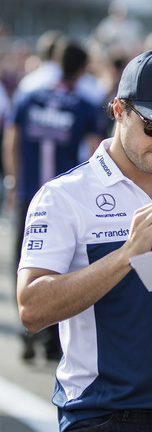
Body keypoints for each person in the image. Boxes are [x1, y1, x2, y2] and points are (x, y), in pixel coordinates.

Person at [16, 48, 152, 432]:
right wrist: (127, 255)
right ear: (119, 110)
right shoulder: (63, 196)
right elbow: (32, 309)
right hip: (102, 413)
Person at [4, 40, 107, 362]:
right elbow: (93, 154)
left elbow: (11, 142)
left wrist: (14, 181)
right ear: (81, 68)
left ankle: (27, 332)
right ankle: (51, 338)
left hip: (28, 194)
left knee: (24, 264)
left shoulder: (29, 97)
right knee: (60, 265)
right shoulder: (84, 105)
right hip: (64, 200)